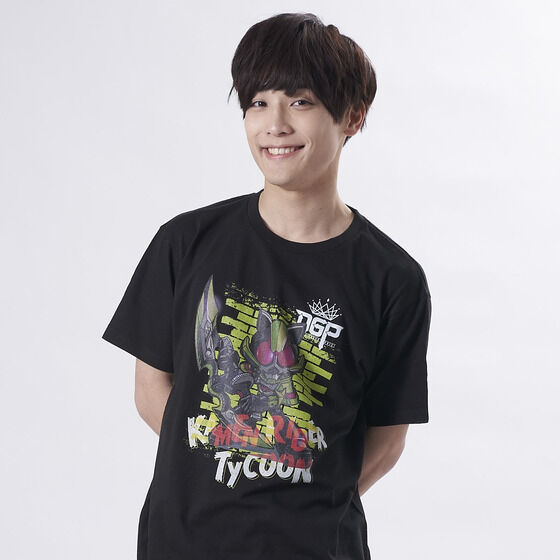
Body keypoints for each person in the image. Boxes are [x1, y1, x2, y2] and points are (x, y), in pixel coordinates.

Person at [102, 11, 432, 560]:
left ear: (352, 116)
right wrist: (224, 459)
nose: (273, 124)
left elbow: (388, 435)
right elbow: (151, 388)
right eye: (257, 102)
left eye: (300, 102)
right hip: (183, 543)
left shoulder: (393, 278)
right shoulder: (186, 242)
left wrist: (299, 497)